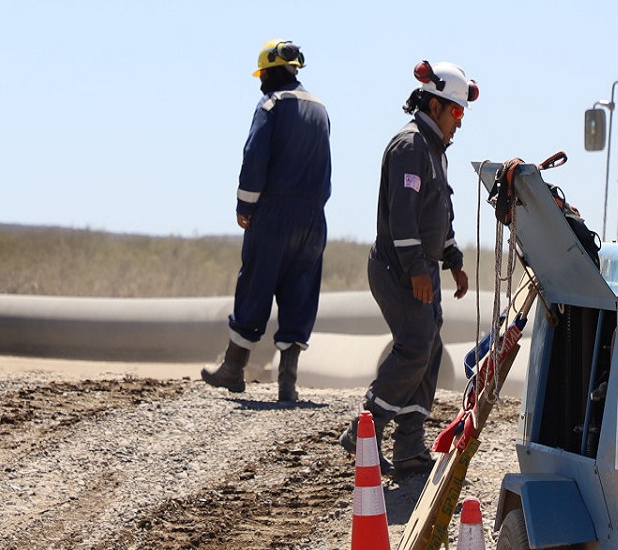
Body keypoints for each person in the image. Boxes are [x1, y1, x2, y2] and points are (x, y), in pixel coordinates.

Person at [342, 60, 473, 475]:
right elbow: (402, 216)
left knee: (430, 347)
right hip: (397, 267)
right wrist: (417, 268)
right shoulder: (410, 146)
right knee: (416, 344)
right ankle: (364, 428)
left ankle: (409, 445)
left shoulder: (434, 151)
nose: (459, 122)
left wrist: (452, 259)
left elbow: (439, 214)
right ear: (434, 106)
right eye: (456, 112)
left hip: (421, 267)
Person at [202, 40, 332, 404]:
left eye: (262, 75)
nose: (260, 83)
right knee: (300, 292)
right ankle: (287, 383)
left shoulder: (271, 104)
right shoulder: (320, 108)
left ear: (273, 71)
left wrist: (245, 204)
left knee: (256, 284)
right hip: (313, 219)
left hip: (274, 213)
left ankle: (233, 368)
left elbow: (255, 154)